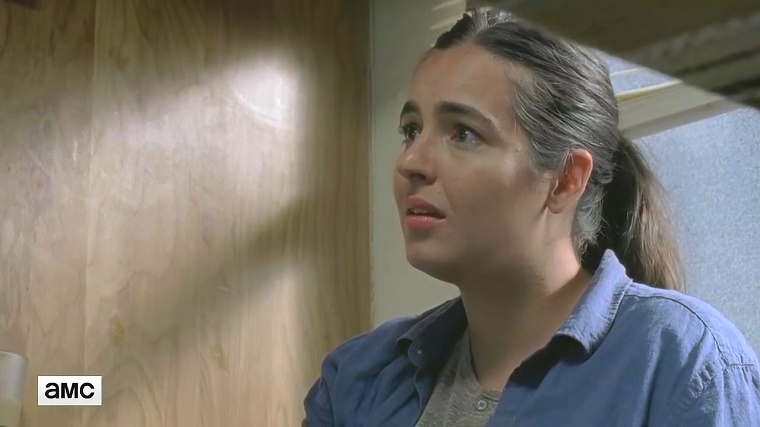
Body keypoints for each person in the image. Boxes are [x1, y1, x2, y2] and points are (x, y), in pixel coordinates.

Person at [303, 9, 760, 426]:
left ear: (565, 179)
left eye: (464, 134)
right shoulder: (358, 378)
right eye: (411, 130)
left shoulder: (683, 363)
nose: (410, 163)